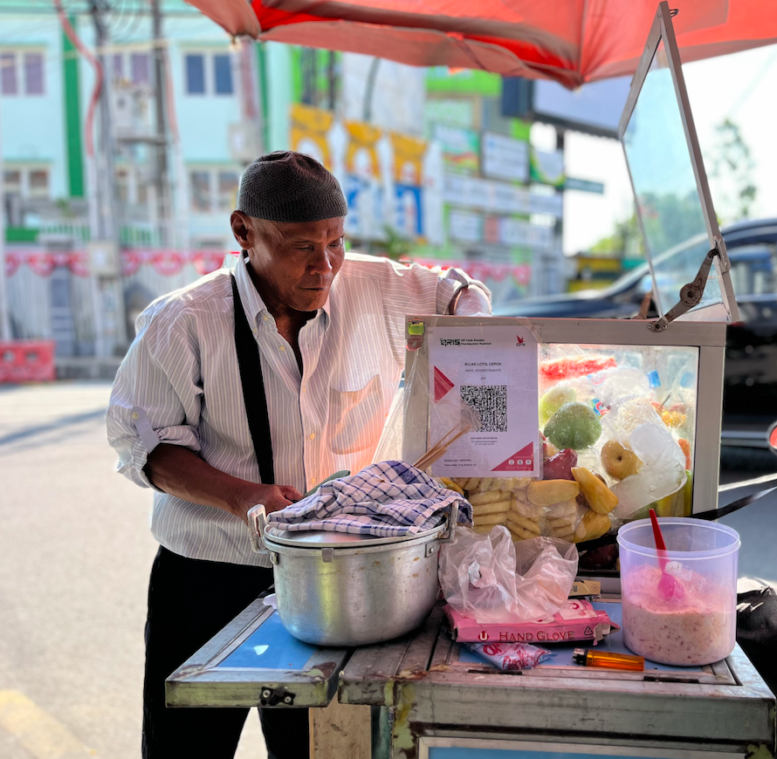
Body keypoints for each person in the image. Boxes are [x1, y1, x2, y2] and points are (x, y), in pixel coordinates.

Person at [107, 151, 490, 759]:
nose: (325, 265)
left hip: (340, 581)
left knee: (319, 749)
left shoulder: (373, 286)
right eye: (301, 247)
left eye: (335, 242)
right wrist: (243, 495)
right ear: (243, 232)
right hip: (208, 576)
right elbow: (144, 446)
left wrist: (475, 343)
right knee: (186, 747)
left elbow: (458, 294)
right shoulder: (181, 322)